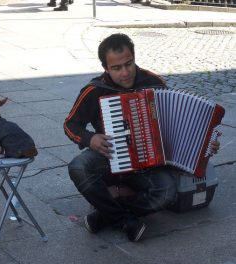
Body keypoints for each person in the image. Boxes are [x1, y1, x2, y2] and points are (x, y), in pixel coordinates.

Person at [63, 33, 220, 242]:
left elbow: (178, 123)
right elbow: (70, 124)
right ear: (105, 68)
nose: (125, 73)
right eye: (116, 68)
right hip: (110, 159)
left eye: (129, 64)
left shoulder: (154, 83)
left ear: (135, 58)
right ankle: (124, 220)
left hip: (148, 166)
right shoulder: (95, 90)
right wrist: (89, 138)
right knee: (78, 166)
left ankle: (106, 215)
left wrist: (206, 143)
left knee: (167, 192)